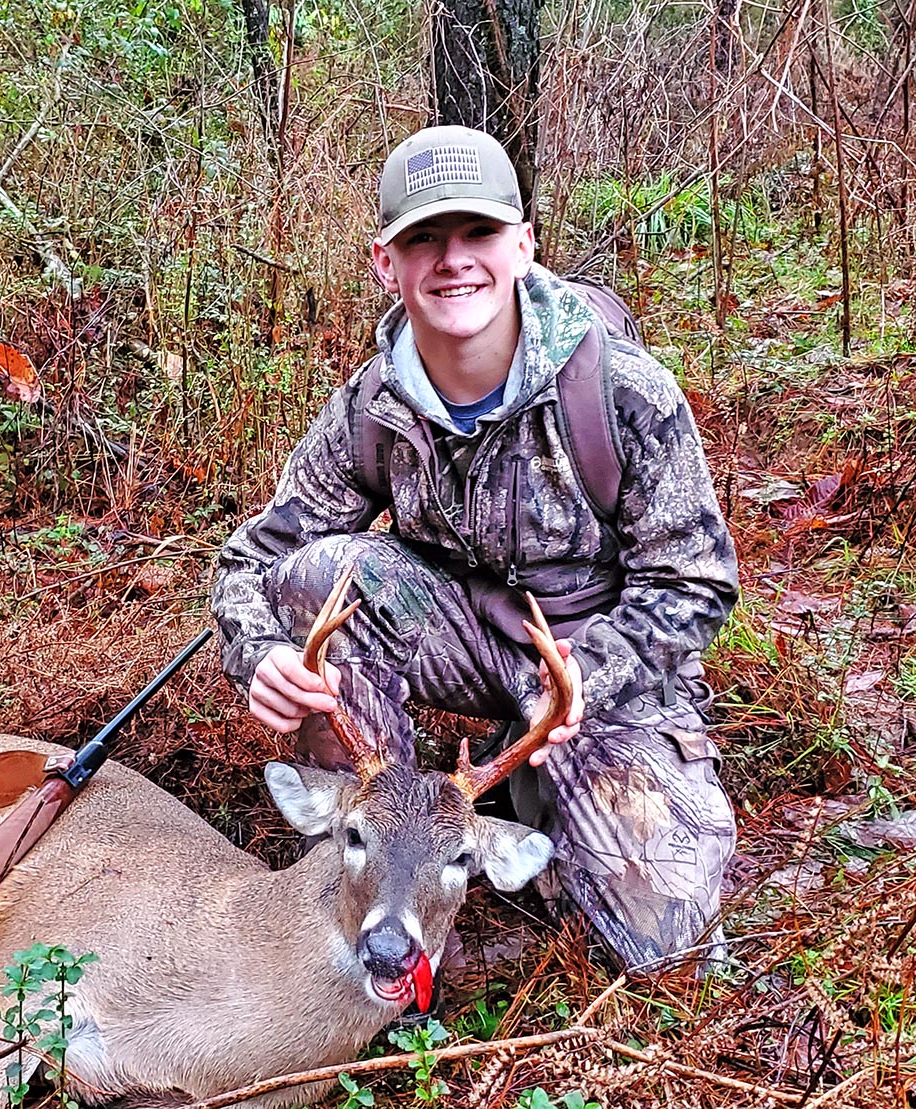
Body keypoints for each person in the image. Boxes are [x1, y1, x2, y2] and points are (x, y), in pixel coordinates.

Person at [212, 125, 739, 974]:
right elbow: (250, 561)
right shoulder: (373, 407)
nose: (453, 259)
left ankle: (521, 804)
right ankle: (379, 860)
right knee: (321, 575)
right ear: (387, 263)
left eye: (479, 233)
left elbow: (696, 580)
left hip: (591, 671)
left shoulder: (623, 392)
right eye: (424, 237)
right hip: (459, 636)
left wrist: (578, 684)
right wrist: (261, 652)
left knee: (663, 941)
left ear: (523, 245)